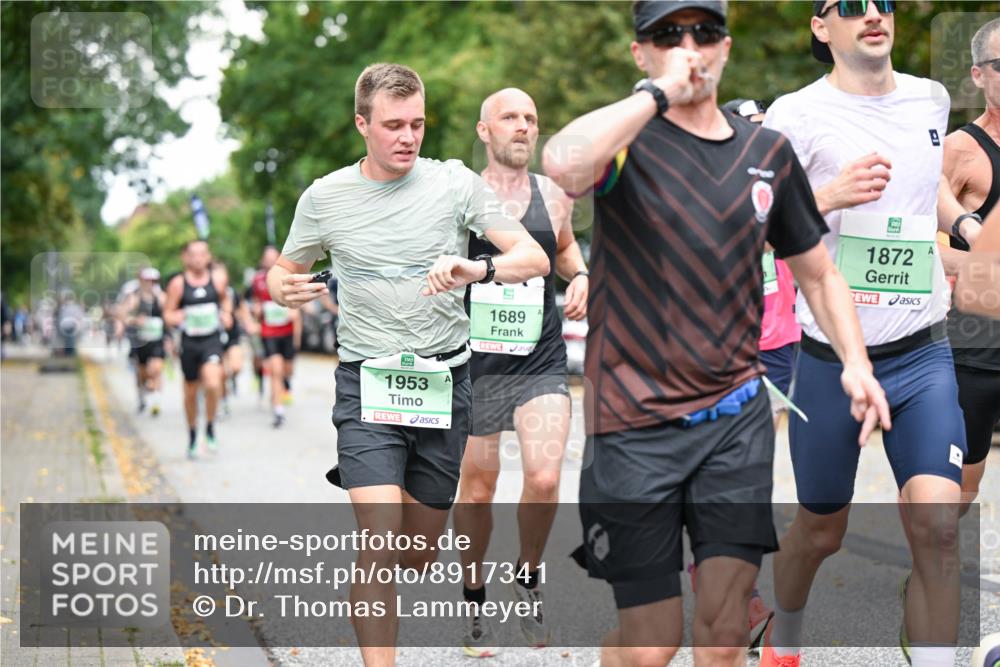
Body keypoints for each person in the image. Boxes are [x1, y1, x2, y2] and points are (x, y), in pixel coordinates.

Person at [543, 2, 889, 665]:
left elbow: (817, 274)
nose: (689, 45)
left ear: (726, 47)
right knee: (650, 646)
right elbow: (562, 164)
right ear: (640, 52)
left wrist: (854, 360)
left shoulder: (767, 154)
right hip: (631, 426)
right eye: (667, 35)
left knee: (726, 632)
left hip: (733, 423)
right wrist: (658, 93)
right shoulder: (626, 144)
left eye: (703, 32)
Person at [266, 63, 548, 666]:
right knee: (378, 536)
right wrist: (278, 289)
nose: (407, 136)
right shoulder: (325, 197)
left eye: (417, 123)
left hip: (445, 385)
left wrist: (481, 269)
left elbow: (533, 257)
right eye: (393, 124)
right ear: (362, 124)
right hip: (367, 384)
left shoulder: (455, 184)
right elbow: (283, 270)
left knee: (417, 553)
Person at [759, 3, 968, 666]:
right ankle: (783, 633)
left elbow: (924, 182)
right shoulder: (794, 115)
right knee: (820, 529)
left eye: (883, 1)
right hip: (831, 361)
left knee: (937, 528)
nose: (872, 13)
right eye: (850, 4)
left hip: (922, 351)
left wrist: (961, 223)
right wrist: (828, 196)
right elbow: (751, 217)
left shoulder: (929, 99)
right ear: (822, 27)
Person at [452, 87, 588, 657]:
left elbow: (563, 248)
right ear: (484, 130)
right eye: (509, 117)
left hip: (539, 360)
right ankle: (473, 592)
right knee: (478, 490)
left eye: (530, 117)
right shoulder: (459, 193)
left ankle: (528, 576)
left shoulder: (553, 195)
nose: (522, 126)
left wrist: (579, 275)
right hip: (475, 365)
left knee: (545, 478)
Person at [938, 17, 1000, 515]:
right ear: (978, 75)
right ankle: (926, 567)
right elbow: (920, 242)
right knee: (963, 487)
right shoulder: (961, 149)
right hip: (978, 343)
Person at [162, 240, 232, 459]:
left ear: (208, 256)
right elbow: (168, 313)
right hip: (189, 343)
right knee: (190, 393)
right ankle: (193, 434)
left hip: (211, 340)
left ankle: (210, 426)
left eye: (202, 254)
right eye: (194, 254)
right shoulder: (178, 284)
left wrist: (227, 315)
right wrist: (180, 316)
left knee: (213, 382)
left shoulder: (218, 280)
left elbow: (226, 301)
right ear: (186, 257)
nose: (198, 258)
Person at [251, 246, 301, 427]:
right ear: (263, 261)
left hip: (286, 333)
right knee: (275, 370)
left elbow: (297, 303)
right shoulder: (257, 280)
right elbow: (252, 303)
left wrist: (295, 310)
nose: (271, 261)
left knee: (287, 370)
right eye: (268, 258)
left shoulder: (288, 277)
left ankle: (286, 384)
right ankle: (278, 410)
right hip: (269, 333)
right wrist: (254, 315)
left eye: (274, 257)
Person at [121, 267, 166, 415]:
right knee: (142, 373)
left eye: (153, 281)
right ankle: (141, 396)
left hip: (157, 340)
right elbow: (124, 316)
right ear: (141, 281)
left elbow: (169, 315)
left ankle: (156, 401)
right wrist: (135, 320)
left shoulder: (161, 297)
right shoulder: (134, 298)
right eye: (147, 280)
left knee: (156, 370)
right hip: (140, 341)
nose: (150, 284)